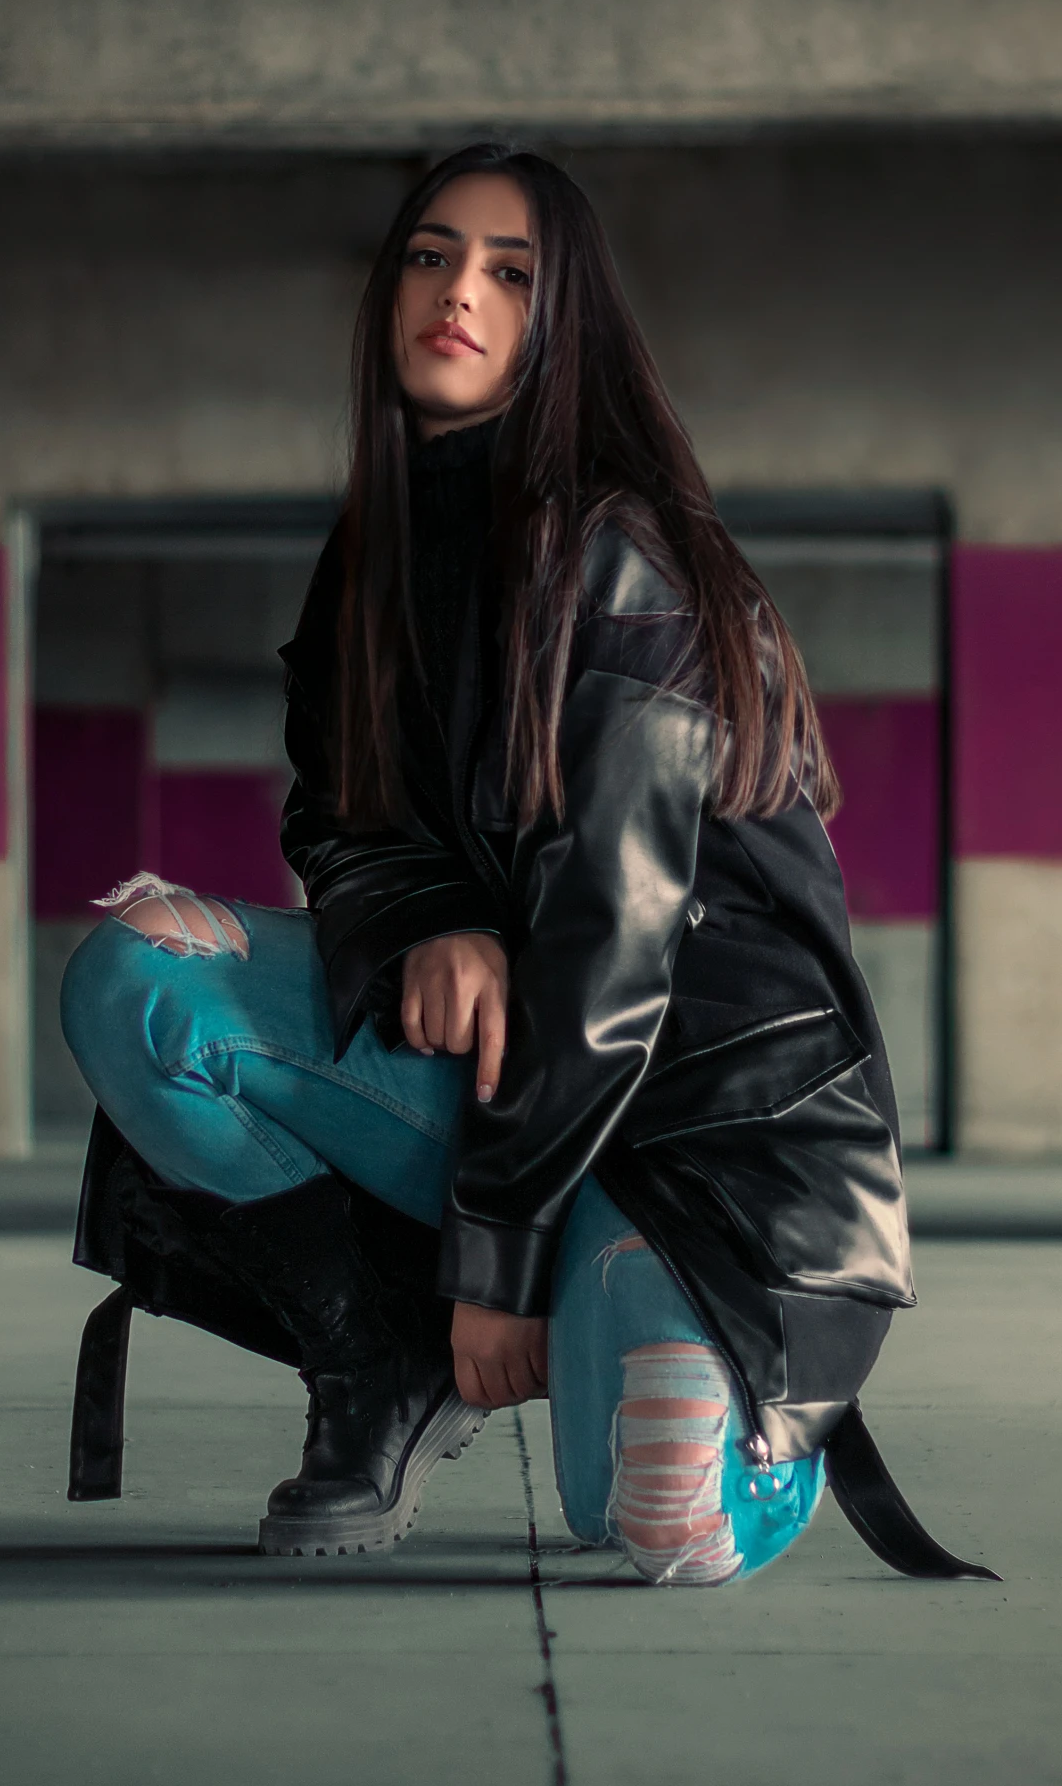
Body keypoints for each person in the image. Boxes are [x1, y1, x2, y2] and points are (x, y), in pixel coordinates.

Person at [59, 144, 993, 1588]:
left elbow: (615, 960)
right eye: (432, 258)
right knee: (141, 983)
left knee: (665, 1515)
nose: (459, 294)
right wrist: (432, 916)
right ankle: (378, 1360)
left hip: (700, 1143)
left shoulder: (627, 563)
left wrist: (497, 1262)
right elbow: (337, 817)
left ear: (567, 324)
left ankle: (763, 1430)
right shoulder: (370, 560)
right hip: (508, 1089)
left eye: (510, 271)